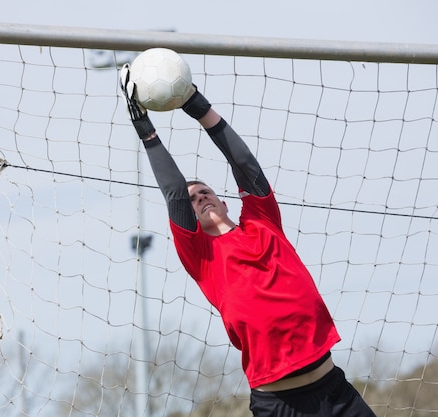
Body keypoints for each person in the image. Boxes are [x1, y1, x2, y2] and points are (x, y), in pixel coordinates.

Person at [120, 63, 376, 417]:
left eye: (205, 192)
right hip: (279, 404)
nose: (199, 199)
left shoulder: (263, 223)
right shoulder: (200, 254)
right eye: (193, 200)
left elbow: (245, 164)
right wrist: (146, 130)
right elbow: (175, 193)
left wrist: (198, 106)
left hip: (334, 390)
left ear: (225, 201)